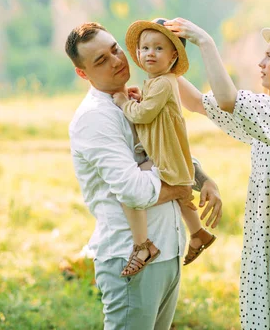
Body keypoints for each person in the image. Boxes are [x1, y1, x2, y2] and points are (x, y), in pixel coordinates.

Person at [164, 18, 270, 330]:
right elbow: (200, 103)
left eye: (269, 56)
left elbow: (228, 99)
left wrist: (205, 41)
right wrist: (164, 62)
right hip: (267, 252)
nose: (260, 62)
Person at [65, 21, 222, 330]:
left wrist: (203, 180)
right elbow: (134, 190)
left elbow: (167, 150)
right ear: (83, 74)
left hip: (169, 251)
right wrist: (180, 190)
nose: (116, 60)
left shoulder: (139, 99)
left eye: (115, 50)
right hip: (130, 259)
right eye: (101, 60)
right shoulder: (96, 118)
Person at [112, 18, 216, 277]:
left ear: (172, 57)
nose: (150, 53)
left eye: (159, 49)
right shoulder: (159, 82)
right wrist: (140, 98)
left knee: (131, 193)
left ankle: (143, 245)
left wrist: (125, 102)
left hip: (164, 156)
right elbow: (153, 108)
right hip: (168, 153)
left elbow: (144, 115)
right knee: (182, 197)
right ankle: (199, 233)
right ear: (137, 53)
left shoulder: (163, 82)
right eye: (145, 48)